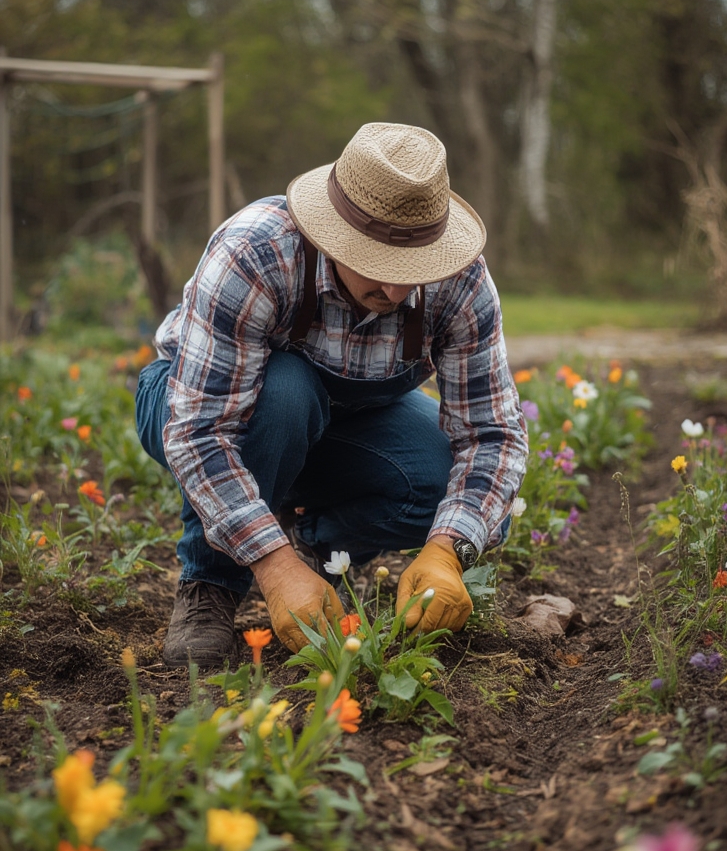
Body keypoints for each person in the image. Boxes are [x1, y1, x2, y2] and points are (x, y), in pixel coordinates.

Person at [135, 122, 528, 666]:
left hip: (349, 422)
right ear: (334, 234)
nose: (395, 290)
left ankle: (315, 546)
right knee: (286, 392)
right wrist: (272, 567)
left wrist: (445, 551)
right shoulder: (256, 253)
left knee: (463, 501)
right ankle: (212, 582)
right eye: (379, 265)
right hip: (203, 407)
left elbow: (493, 435)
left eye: (413, 270)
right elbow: (201, 431)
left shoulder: (461, 282)